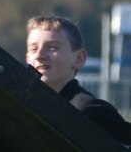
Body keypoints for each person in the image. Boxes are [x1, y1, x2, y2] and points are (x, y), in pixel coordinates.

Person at [26, 15, 131, 144]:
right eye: (33, 49)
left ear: (78, 59)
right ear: (27, 59)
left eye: (52, 47)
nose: (39, 55)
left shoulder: (90, 111)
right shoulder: (22, 106)